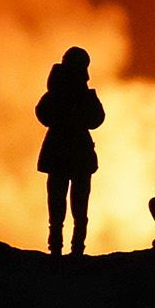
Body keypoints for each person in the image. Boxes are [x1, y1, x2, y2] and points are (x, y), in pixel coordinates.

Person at [35, 46, 104, 256]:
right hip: (70, 154)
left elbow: (96, 119)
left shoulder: (62, 92)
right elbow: (95, 119)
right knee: (63, 205)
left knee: (73, 205)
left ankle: (70, 248)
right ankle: (64, 248)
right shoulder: (60, 93)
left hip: (66, 154)